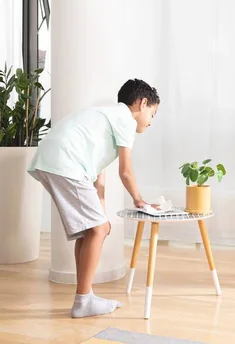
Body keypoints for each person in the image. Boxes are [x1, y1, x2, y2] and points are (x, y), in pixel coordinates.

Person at [28, 78, 160, 318]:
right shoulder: (125, 121)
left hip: (55, 159)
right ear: (142, 104)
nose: (151, 122)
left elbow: (99, 178)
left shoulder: (105, 119)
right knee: (97, 230)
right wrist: (140, 200)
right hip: (64, 162)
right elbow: (126, 172)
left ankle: (85, 296)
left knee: (94, 229)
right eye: (153, 113)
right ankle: (83, 301)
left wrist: (102, 217)